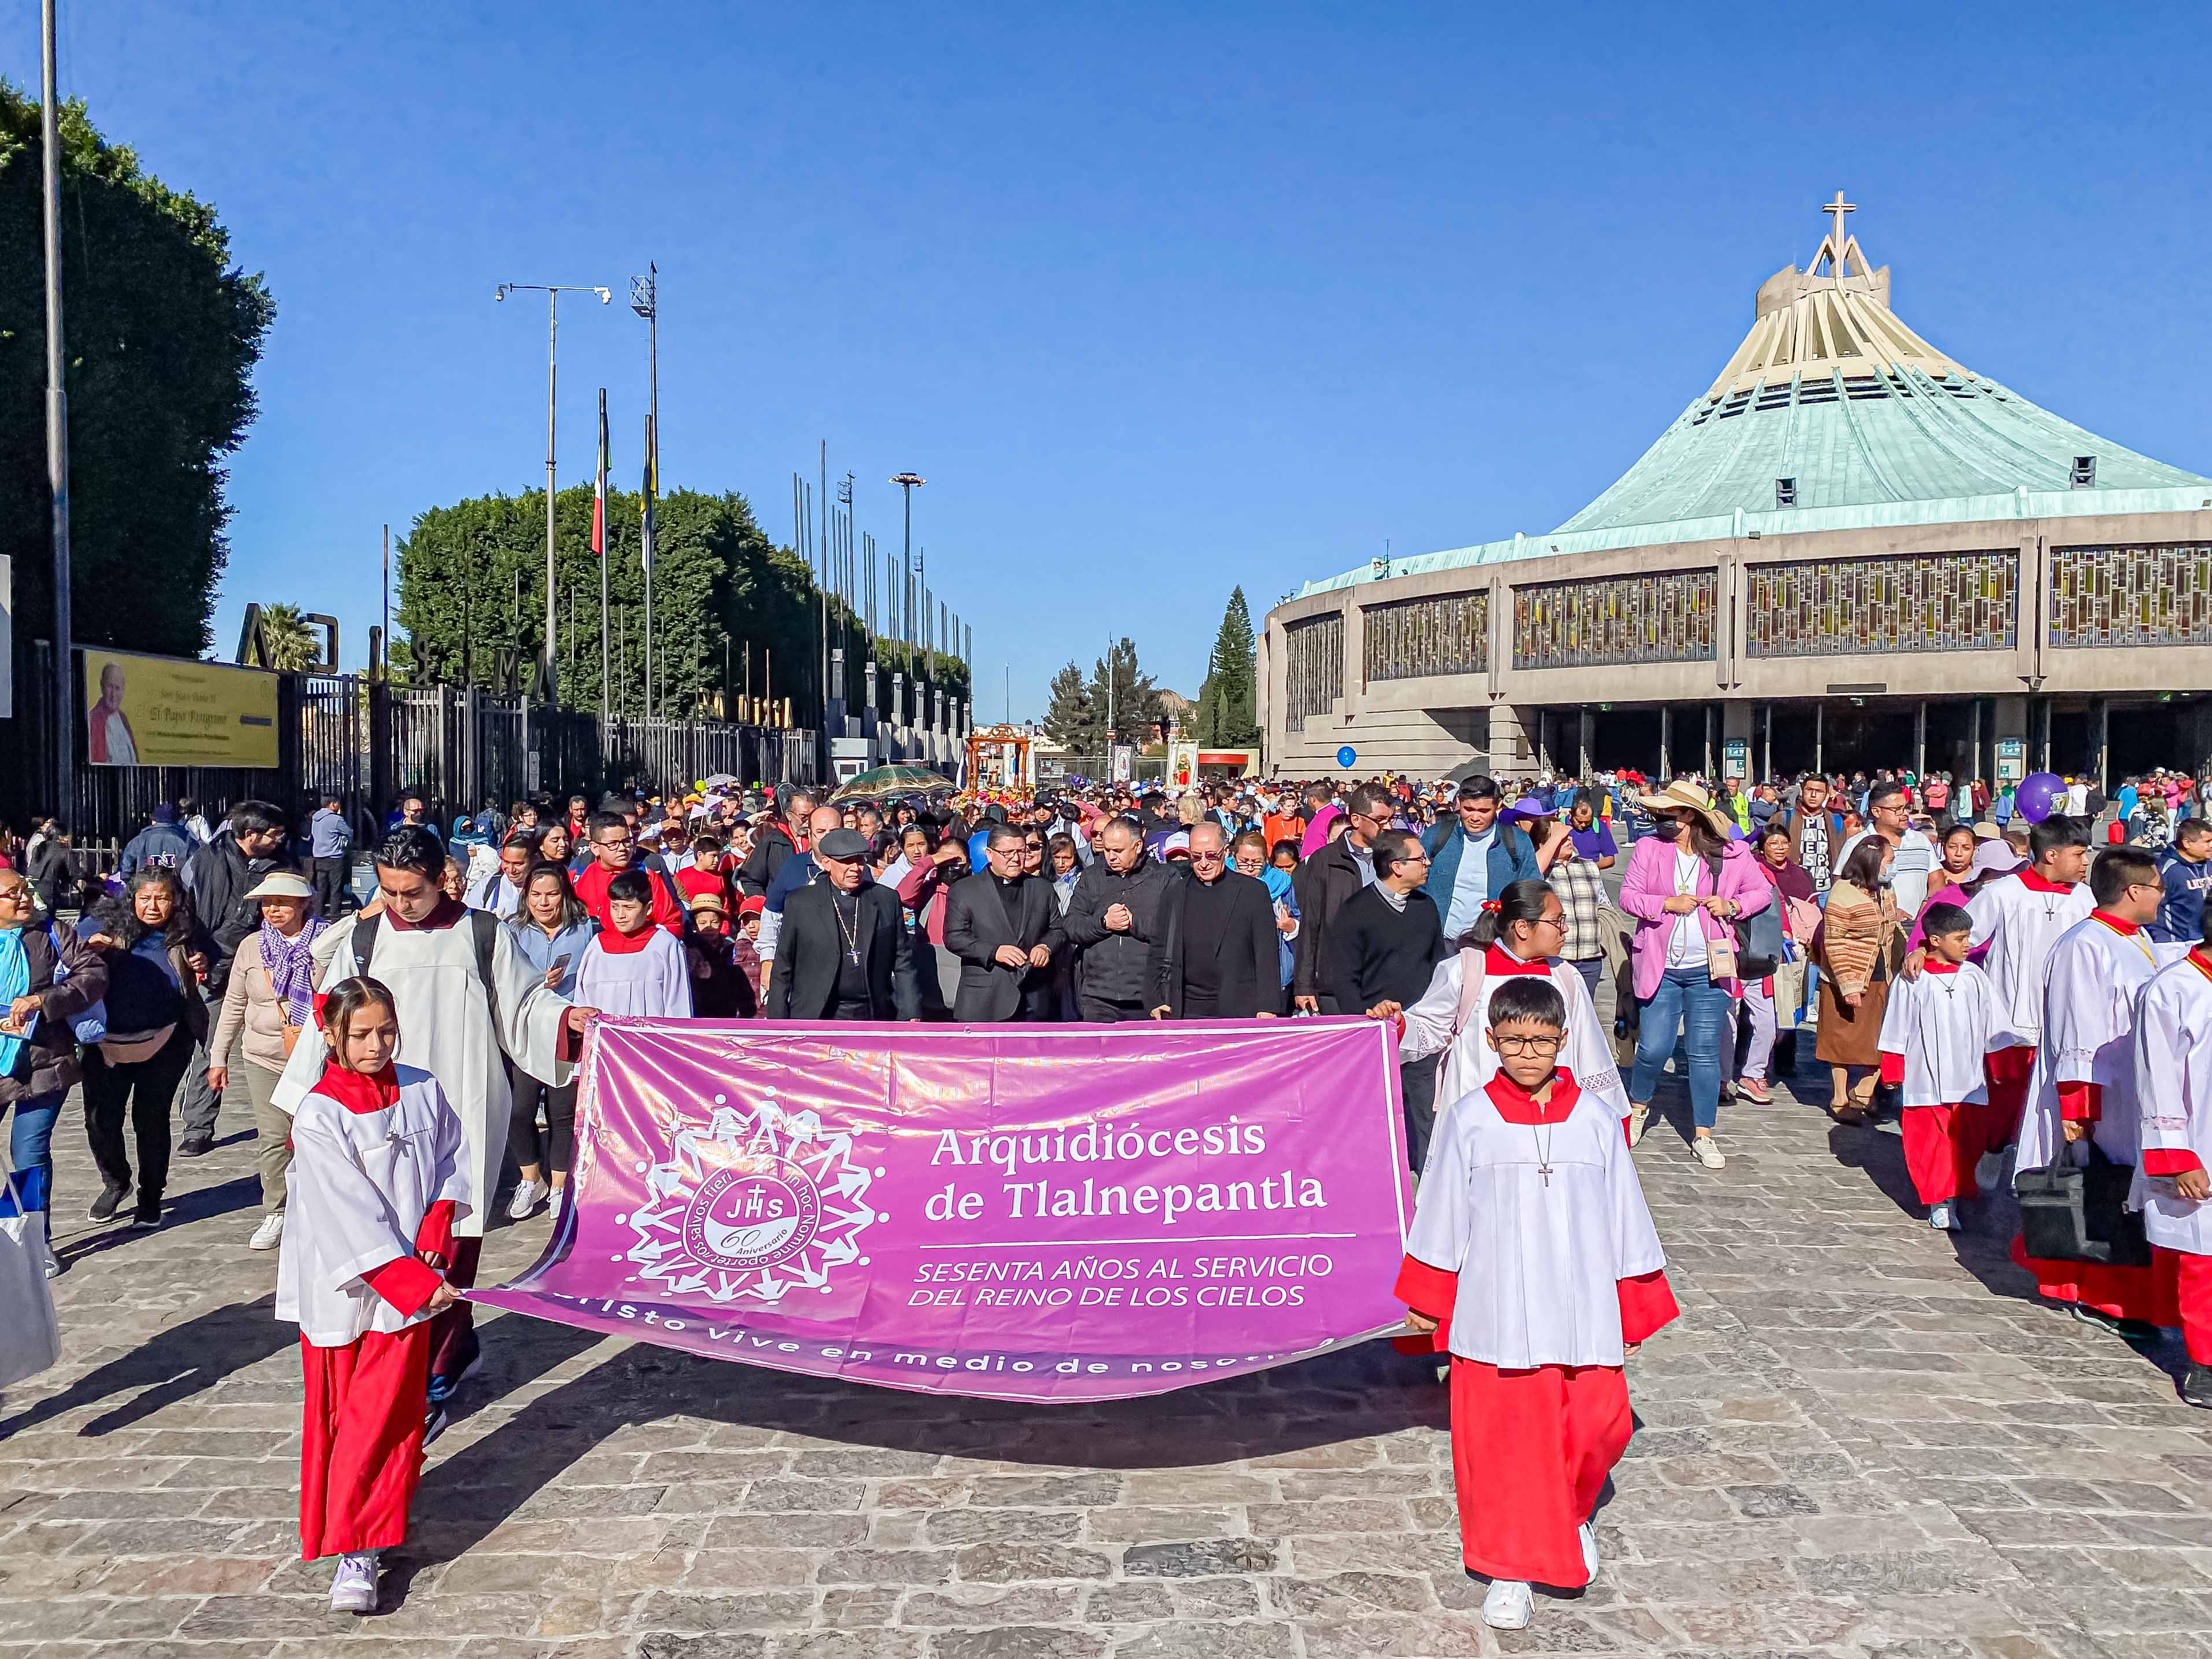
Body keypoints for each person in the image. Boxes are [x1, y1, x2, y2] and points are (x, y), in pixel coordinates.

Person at [1395, 975, 1678, 1633]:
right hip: (1496, 1316)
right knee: (1503, 1448)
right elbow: (1439, 1213)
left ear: (1563, 1041)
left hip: (1581, 1310)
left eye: (1541, 1041)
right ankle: (1508, 1568)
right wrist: (1429, 1302)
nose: (1527, 1053)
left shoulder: (1595, 1121)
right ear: (1491, 1041)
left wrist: (1632, 1306)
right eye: (1514, 1040)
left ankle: (1569, 1512)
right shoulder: (1468, 1119)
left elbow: (1624, 1217)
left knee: (1600, 1426)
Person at [272, 826, 588, 1410]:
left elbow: (524, 1009)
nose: (399, 904)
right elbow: (333, 1021)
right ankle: (406, 1354)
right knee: (384, 1231)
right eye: (389, 892)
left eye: (410, 892)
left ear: (441, 877)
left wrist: (564, 1020)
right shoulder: (365, 939)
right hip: (376, 1113)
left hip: (461, 1102)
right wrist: (303, 1107)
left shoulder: (480, 933)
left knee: (449, 1235)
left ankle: (438, 1363)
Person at [278, 976, 469, 1615]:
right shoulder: (319, 1113)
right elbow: (345, 1213)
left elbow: (450, 1159)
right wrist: (412, 1281)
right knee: (347, 1420)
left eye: (386, 1030)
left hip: (410, 1283)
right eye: (361, 1034)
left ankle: (367, 1539)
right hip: (351, 1290)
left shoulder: (422, 1088)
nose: (376, 1045)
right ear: (330, 1034)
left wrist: (437, 1234)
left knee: (387, 1415)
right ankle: (352, 1548)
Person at [2012, 846, 2181, 1337]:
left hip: (2132, 1088)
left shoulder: (2137, 938)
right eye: (2157, 886)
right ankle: (2096, 1293)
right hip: (2099, 1095)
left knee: (2128, 1191)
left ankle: (2135, 1295)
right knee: (2101, 1192)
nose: (2162, 896)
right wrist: (2078, 1104)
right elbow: (2077, 1029)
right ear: (2134, 891)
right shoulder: (2083, 945)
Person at [1387, 878, 1629, 1152]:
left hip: (1550, 1117)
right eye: (1557, 921)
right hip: (1479, 1115)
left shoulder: (1565, 977)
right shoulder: (1466, 970)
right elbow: (1431, 1027)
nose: (1565, 930)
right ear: (1523, 928)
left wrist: (1611, 1119)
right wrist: (1401, 1025)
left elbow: (1590, 1051)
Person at [1617, 781, 1771, 1166]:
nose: (1659, 819)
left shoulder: (1732, 853)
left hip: (1710, 968)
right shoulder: (1649, 848)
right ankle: (1638, 1107)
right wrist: (1665, 903)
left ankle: (1704, 1133)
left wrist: (1732, 904)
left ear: (1688, 815)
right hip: (1660, 965)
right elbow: (1628, 896)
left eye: (1667, 813)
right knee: (1654, 1047)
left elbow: (1762, 893)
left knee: (1703, 1052)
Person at [1955, 814, 2096, 1181]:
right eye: (2079, 854)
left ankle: (2046, 1171)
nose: (2085, 863)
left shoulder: (2084, 897)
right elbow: (1961, 934)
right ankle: (1993, 1150)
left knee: (2058, 1099)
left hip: (2066, 1017)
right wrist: (1925, 951)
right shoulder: (2004, 892)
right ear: (2051, 854)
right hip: (2013, 1016)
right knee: (2006, 1096)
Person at [77, 868, 212, 1233]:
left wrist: (204, 966)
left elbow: (215, 967)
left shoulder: (185, 931)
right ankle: (116, 1180)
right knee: (100, 1121)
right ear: (132, 898)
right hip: (106, 1044)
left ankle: (150, 1197)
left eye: (163, 898)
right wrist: (90, 953)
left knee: (151, 1122)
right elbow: (68, 962)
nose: (154, 906)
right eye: (145, 898)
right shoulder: (101, 925)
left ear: (176, 900)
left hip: (166, 1040)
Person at [207, 871, 328, 1249]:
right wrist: (218, 1055)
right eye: (266, 902)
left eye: (282, 902)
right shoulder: (252, 947)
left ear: (303, 903)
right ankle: (277, 1210)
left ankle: (324, 1210)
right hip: (263, 1056)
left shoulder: (326, 942)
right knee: (275, 1137)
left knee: (321, 1135)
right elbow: (234, 1003)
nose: (273, 909)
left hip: (316, 1056)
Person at [178, 800, 304, 1159]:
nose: (280, 839)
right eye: (274, 834)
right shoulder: (205, 861)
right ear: (250, 835)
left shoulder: (282, 864)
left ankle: (295, 1122)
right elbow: (186, 912)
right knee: (212, 1045)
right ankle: (198, 1126)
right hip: (215, 967)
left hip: (271, 964)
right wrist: (194, 950)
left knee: (290, 1041)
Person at [0, 868, 109, 1276]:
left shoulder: (51, 933)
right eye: (13, 894)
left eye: (25, 890)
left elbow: (93, 976)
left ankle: (33, 1238)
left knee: (28, 1154)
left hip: (43, 1063)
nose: (24, 898)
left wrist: (43, 1001)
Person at [1327, 829, 1449, 1168]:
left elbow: (1438, 965)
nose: (1428, 864)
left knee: (1426, 1113)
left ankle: (1428, 1187)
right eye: (1420, 859)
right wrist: (1364, 1022)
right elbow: (1345, 979)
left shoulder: (1426, 908)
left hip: (1422, 1030)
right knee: (1375, 1115)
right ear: (1397, 866)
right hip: (1375, 1033)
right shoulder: (1355, 911)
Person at [2132, 910, 2212, 1409]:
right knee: (2204, 1261)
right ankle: (2204, 1363)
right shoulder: (2174, 989)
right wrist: (2176, 1156)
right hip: (2199, 1143)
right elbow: (2157, 1077)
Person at [1877, 902, 1997, 1231]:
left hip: (1968, 1077)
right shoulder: (1913, 979)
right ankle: (1938, 1202)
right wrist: (1893, 1069)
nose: (1968, 944)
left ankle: (1954, 1197)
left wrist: (1998, 1063)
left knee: (1963, 1143)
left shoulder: (1974, 975)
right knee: (1929, 1144)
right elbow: (1897, 1023)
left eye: (1968, 936)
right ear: (1934, 941)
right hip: (1924, 1076)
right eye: (1960, 938)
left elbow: (1993, 1022)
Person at [502, 862, 594, 1219]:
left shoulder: (585, 929)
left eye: (552, 894)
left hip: (570, 1033)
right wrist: (536, 981)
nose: (543, 902)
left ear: (564, 895)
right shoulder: (512, 930)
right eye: (536, 895)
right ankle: (530, 1179)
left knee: (562, 1114)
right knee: (519, 1111)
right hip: (526, 1034)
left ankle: (559, 1186)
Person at [765, 828, 920, 1020]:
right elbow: (783, 966)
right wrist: (777, 1021)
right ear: (827, 863)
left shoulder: (886, 899)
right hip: (817, 1012)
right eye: (847, 861)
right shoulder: (800, 903)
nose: (855, 868)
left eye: (860, 861)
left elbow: (903, 960)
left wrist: (911, 1012)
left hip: (872, 1011)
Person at [1149, 823, 1280, 1020]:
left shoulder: (1253, 892)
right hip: (1186, 1008)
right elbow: (1159, 949)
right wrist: (1155, 998)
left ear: (1225, 852)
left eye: (1211, 855)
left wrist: (1267, 1005)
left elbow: (1266, 953)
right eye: (1196, 856)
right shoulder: (1175, 893)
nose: (1203, 863)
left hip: (1239, 1006)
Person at [1815, 839, 1904, 1126]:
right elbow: (1835, 941)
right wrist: (1849, 984)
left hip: (1881, 972)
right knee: (1841, 1040)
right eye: (1888, 860)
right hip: (1847, 976)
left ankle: (1864, 1091)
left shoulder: (1885, 891)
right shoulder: (1842, 894)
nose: (1891, 866)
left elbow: (1890, 928)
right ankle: (1840, 1096)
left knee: (1880, 1038)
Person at [1293, 783, 1397, 1015]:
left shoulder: (1396, 858)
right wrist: (1304, 983)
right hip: (1336, 983)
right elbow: (1311, 923)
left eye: (1390, 819)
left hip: (1384, 981)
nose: (1387, 826)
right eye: (1380, 820)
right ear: (1357, 820)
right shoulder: (1325, 860)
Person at [945, 825, 1067, 1023]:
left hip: (1034, 999)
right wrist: (994, 952)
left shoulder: (1041, 888)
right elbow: (954, 937)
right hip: (985, 998)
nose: (1016, 858)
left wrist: (1046, 947)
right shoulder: (965, 890)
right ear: (990, 854)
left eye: (1021, 852)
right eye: (1008, 853)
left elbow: (1058, 929)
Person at [1061, 817, 1175, 1023]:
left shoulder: (1164, 878)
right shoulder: (1092, 877)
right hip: (1098, 996)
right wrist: (1103, 924)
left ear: (1138, 846)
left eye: (1118, 851)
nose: (1111, 857)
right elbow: (1071, 926)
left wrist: (1135, 923)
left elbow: (1174, 930)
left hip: (1147, 996)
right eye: (1107, 850)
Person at [1421, 777, 1541, 942]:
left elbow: (1530, 890)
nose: (1475, 817)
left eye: (1484, 811)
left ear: (1498, 805)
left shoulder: (1517, 841)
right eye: (1468, 809)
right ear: (1459, 802)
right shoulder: (1436, 836)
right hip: (1442, 940)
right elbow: (1416, 885)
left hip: (1494, 942)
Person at [576, 870, 694, 1019]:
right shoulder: (597, 947)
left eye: (629, 908)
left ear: (649, 908)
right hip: (604, 1039)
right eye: (615, 907)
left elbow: (678, 1005)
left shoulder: (664, 945)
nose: (620, 915)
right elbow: (582, 1001)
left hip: (649, 1039)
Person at [573, 813, 686, 937]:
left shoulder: (647, 877)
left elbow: (672, 923)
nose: (622, 848)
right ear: (595, 848)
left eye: (626, 841)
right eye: (613, 844)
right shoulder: (577, 878)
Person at [1838, 781, 1937, 919]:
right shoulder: (1856, 844)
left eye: (1906, 807)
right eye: (1897, 809)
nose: (1905, 814)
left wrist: (1927, 906)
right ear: (1877, 812)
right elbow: (1842, 887)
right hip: (1875, 928)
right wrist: (1887, 911)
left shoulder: (1921, 841)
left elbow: (1937, 879)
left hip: (1918, 927)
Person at [2155, 820, 2212, 945]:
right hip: (2175, 945)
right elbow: (2151, 910)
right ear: (2187, 843)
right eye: (2207, 842)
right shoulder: (2165, 870)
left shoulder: (2209, 866)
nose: (2211, 846)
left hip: (2205, 944)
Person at [1785, 775, 1838, 898]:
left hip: (1826, 890)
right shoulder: (1785, 818)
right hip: (1793, 890)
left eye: (1820, 791)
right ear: (1802, 791)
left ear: (1826, 794)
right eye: (1809, 790)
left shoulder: (1836, 821)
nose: (1813, 795)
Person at [118, 803, 197, 879]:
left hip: (146, 889)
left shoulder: (139, 840)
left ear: (153, 821)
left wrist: (135, 887)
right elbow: (197, 867)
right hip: (177, 890)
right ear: (176, 821)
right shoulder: (187, 840)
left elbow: (126, 867)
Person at [467, 834, 534, 916]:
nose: (511, 870)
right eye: (506, 862)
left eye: (518, 864)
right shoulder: (487, 885)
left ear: (532, 861)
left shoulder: (543, 887)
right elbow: (469, 918)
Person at [310, 796, 353, 919]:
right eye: (338, 803)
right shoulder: (336, 820)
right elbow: (349, 832)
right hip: (335, 857)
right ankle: (335, 915)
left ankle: (319, 912)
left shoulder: (315, 818)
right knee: (336, 887)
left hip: (319, 857)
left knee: (321, 887)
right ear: (333, 804)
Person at [1565, 790, 1617, 871]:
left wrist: (1588, 869)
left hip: (1591, 877)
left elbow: (1610, 859)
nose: (1583, 825)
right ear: (1571, 814)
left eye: (1587, 822)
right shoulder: (1560, 826)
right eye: (1579, 821)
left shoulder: (1599, 827)